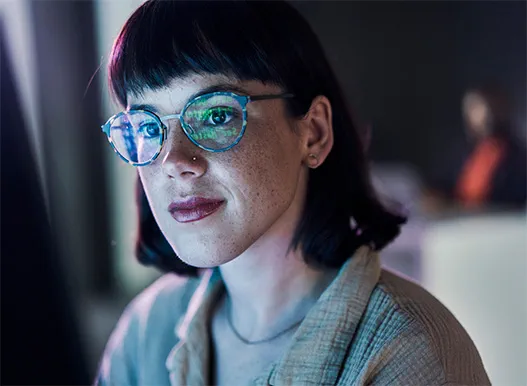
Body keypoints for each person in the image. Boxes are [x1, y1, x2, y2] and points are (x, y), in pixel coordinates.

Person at [96, 1, 490, 384]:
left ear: (313, 132)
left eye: (217, 115)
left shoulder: (406, 352)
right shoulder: (146, 332)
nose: (173, 160)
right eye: (148, 128)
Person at [426, 84, 526, 212]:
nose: (484, 114)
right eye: (473, 108)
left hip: (496, 222)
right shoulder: (463, 150)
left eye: (487, 107)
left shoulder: (518, 156)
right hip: (457, 220)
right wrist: (435, 196)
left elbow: (513, 200)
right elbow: (443, 184)